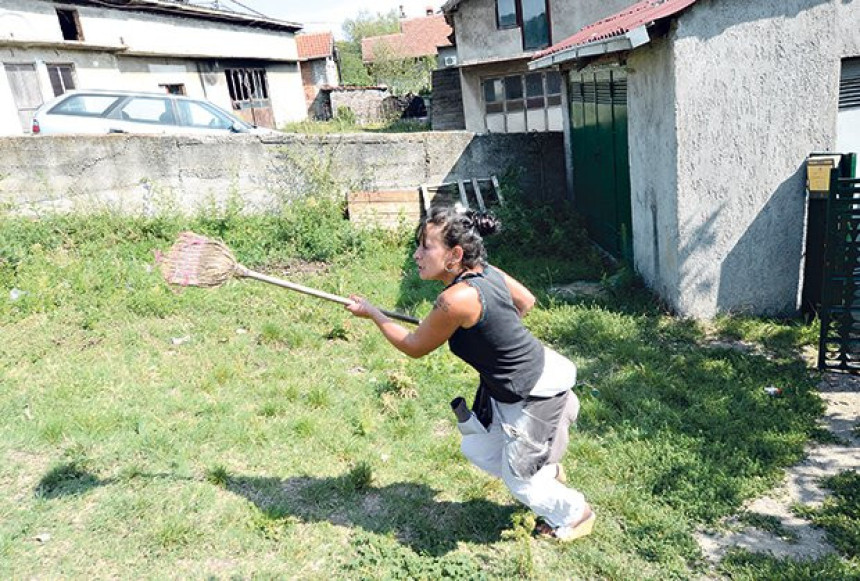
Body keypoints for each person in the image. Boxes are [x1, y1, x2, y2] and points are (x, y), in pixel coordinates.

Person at [345, 205, 594, 541]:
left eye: (425, 246)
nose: (416, 254)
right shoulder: (485, 272)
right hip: (514, 381)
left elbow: (414, 347)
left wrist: (375, 314)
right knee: (478, 448)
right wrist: (490, 330)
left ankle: (575, 513)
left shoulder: (455, 300)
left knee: (520, 481)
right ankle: (547, 471)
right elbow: (526, 302)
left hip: (535, 389)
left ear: (455, 254)